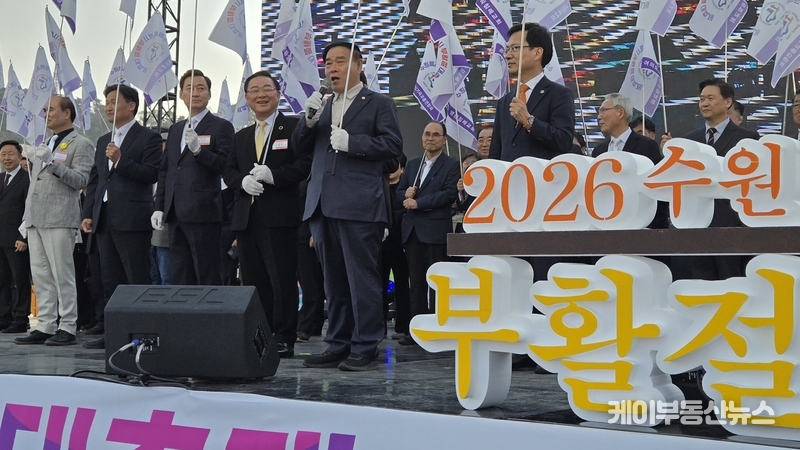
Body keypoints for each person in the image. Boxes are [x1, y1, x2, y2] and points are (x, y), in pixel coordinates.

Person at [293, 41, 403, 371]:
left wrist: (353, 143)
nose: (333, 68)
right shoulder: (323, 105)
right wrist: (307, 121)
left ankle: (366, 343)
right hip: (322, 204)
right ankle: (338, 342)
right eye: (328, 63)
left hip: (359, 204)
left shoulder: (378, 103)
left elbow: (393, 145)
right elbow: (299, 148)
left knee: (362, 279)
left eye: (340, 61)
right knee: (334, 280)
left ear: (358, 64)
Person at [223, 70, 311, 358]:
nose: (261, 95)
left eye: (267, 89)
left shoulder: (294, 127)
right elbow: (229, 170)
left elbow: (304, 165)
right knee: (253, 281)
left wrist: (275, 175)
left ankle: (284, 336)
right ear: (247, 98)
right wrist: (241, 182)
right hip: (246, 219)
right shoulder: (241, 136)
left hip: (279, 217)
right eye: (254, 90)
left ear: (278, 93)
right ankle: (259, 334)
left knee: (282, 279)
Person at [80, 84, 162, 350]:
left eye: (115, 101)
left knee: (136, 277)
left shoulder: (148, 137)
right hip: (104, 218)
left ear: (132, 105)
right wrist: (89, 212)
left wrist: (121, 160)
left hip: (132, 218)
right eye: (107, 102)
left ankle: (143, 333)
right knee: (110, 279)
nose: (109, 107)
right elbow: (96, 179)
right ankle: (114, 333)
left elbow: (152, 173)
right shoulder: (104, 139)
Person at [661, 78, 760, 280]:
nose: (704, 103)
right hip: (696, 226)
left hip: (732, 224)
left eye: (710, 98)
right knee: (700, 283)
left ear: (727, 102)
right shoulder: (689, 141)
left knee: (731, 281)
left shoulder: (748, 138)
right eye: (701, 99)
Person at [15, 96, 94, 346]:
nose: (46, 114)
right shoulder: (46, 142)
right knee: (40, 274)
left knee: (63, 274)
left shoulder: (81, 143)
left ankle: (68, 324)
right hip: (37, 216)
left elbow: (81, 180)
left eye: (50, 110)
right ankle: (46, 323)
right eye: (44, 110)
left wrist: (51, 163)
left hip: (60, 216)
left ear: (67, 113)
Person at [153, 69, 235, 285]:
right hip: (175, 213)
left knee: (207, 273)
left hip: (204, 211)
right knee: (180, 275)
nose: (195, 93)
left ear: (209, 94)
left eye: (201, 88)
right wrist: (159, 206)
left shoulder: (221, 126)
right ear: (181, 94)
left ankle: (210, 309)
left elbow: (226, 165)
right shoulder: (175, 129)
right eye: (189, 88)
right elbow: (166, 171)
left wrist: (199, 151)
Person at [396, 122, 459, 345]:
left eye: (435, 135)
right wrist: (405, 194)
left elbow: (448, 194)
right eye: (427, 134)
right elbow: (398, 193)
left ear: (444, 140)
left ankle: (439, 329)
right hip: (412, 231)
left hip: (435, 231)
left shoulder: (451, 165)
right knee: (416, 284)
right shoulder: (413, 164)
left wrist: (419, 203)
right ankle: (418, 330)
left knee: (437, 283)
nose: (430, 138)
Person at [488, 23, 574, 162]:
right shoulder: (505, 101)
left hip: (541, 174)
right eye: (507, 49)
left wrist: (529, 121)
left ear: (537, 53)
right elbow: (496, 153)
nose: (508, 56)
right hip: (509, 175)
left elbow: (564, 141)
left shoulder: (559, 94)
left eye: (515, 48)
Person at [593, 93, 669, 230]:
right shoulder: (599, 151)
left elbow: (657, 189)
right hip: (606, 225)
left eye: (604, 110)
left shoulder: (646, 146)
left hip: (640, 227)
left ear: (620, 112)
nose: (599, 116)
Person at [0, 140, 31, 334]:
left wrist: (24, 237)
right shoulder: (0, 178)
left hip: (17, 239)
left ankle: (21, 319)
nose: (6, 158)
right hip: (1, 238)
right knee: (2, 280)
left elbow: (29, 210)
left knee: (19, 279)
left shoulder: (27, 179)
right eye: (3, 154)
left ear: (20, 156)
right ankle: (4, 317)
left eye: (10, 154)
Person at [381, 154, 410, 340]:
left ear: (402, 169)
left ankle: (403, 326)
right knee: (379, 285)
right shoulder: (378, 187)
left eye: (395, 165)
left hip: (401, 244)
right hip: (381, 244)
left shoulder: (407, 190)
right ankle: (379, 327)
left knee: (402, 285)